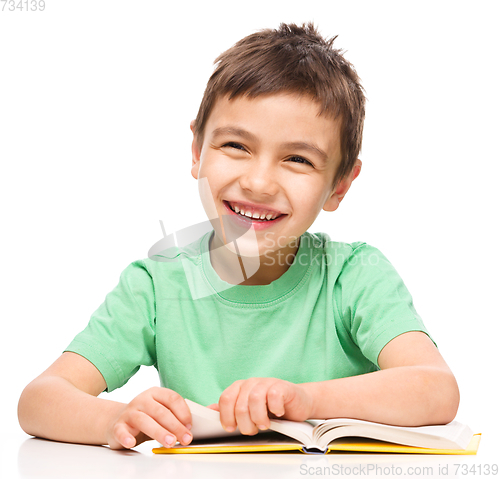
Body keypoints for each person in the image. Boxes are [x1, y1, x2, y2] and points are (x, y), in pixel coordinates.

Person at [18, 23, 459, 451]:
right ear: (197, 151)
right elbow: (40, 400)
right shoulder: (157, 285)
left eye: (298, 159)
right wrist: (113, 419)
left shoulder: (354, 274)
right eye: (236, 146)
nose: (260, 183)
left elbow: (437, 389)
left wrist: (307, 400)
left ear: (340, 185)